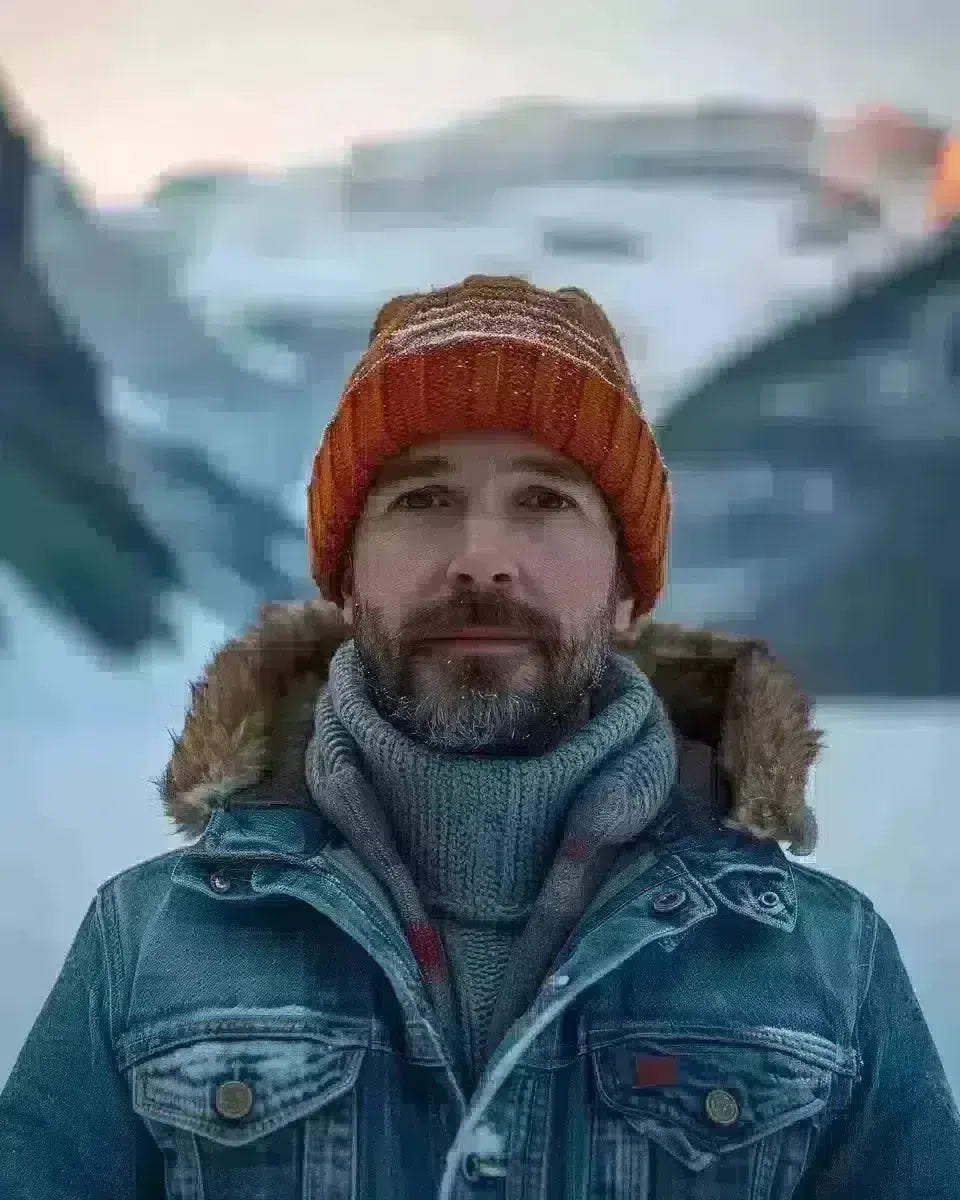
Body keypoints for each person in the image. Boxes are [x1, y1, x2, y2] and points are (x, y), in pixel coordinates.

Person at [1, 274, 958, 1199]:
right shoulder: (144, 947)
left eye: (545, 500)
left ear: (628, 591)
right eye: (422, 500)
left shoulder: (830, 964)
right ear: (343, 582)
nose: (482, 561)